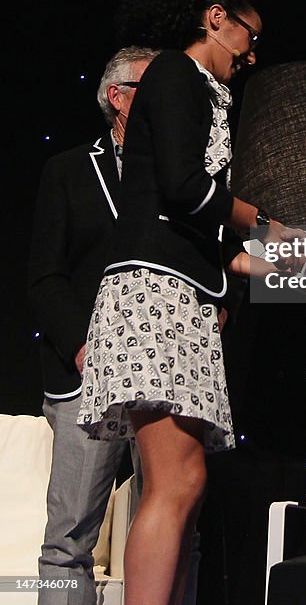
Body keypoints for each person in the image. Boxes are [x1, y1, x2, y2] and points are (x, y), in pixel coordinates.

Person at [76, 0, 295, 605]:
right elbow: (182, 189)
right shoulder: (174, 73)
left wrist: (266, 261)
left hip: (181, 291)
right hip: (155, 297)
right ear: (216, 18)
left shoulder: (200, 87)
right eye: (249, 37)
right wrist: (266, 224)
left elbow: (194, 229)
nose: (252, 54)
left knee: (187, 480)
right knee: (173, 482)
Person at [28, 46, 157, 605]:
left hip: (164, 374)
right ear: (118, 97)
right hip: (90, 378)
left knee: (175, 529)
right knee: (69, 541)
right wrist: (84, 346)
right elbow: (45, 277)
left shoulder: (181, 173)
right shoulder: (69, 170)